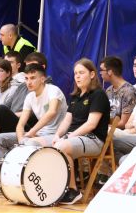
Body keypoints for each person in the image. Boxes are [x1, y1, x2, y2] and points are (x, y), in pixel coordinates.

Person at [0, 63, 68, 195]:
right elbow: (20, 124)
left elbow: (51, 113)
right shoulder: (30, 96)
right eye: (26, 78)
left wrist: (30, 134)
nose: (29, 82)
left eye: (33, 78)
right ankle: (5, 179)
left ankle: (27, 181)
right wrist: (21, 139)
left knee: (29, 142)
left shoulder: (53, 90)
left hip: (56, 135)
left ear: (42, 79)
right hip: (39, 135)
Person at [44, 58, 110, 205]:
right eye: (75, 74)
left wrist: (67, 137)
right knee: (36, 143)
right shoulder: (75, 97)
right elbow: (66, 121)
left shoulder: (98, 94)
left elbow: (91, 124)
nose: (77, 76)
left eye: (81, 73)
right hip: (72, 137)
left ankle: (72, 190)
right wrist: (57, 135)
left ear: (92, 74)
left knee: (62, 147)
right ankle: (51, 186)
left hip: (93, 139)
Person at [99, 56, 136, 130]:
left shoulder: (129, 91)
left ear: (110, 72)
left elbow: (124, 124)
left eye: (101, 70)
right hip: (109, 129)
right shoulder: (109, 90)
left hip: (120, 133)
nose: (100, 73)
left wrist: (103, 128)